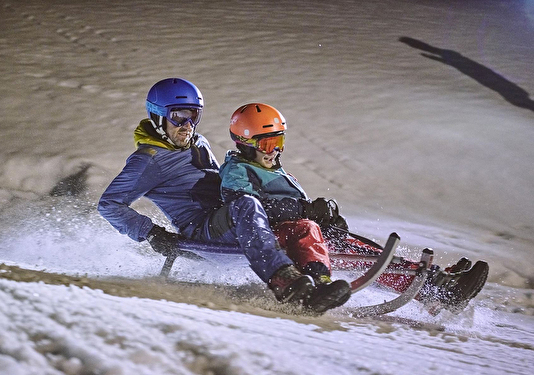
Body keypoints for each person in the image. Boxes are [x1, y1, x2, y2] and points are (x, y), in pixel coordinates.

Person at [98, 78, 346, 314]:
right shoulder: (148, 161)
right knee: (248, 203)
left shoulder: (198, 143)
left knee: (301, 225)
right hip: (203, 231)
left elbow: (222, 185)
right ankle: (283, 279)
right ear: (157, 116)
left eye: (193, 116)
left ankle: (318, 286)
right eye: (178, 116)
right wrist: (151, 232)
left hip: (230, 219)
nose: (187, 125)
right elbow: (109, 204)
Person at [219, 103, 489, 315]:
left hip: (299, 234)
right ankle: (322, 284)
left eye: (279, 143)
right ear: (245, 143)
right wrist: (305, 210)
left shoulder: (270, 168)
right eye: (267, 144)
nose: (274, 152)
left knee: (362, 250)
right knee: (326, 237)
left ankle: (436, 284)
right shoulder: (237, 170)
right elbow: (248, 208)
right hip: (277, 238)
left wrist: (326, 218)